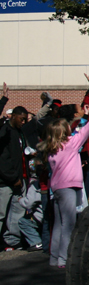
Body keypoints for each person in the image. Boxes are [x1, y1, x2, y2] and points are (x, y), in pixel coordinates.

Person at [38, 105, 89, 267]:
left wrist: (87, 116)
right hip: (69, 188)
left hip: (56, 189)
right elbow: (86, 130)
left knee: (59, 224)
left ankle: (54, 258)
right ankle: (64, 259)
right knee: (69, 224)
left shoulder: (51, 149)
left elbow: (81, 129)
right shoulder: (71, 144)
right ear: (63, 132)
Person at [0, 105, 29, 250]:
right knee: (1, 213)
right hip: (6, 182)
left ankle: (11, 241)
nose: (23, 122)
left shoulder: (19, 133)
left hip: (20, 180)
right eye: (21, 119)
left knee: (17, 212)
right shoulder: (4, 132)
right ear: (13, 116)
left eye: (25, 120)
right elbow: (3, 160)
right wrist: (12, 177)